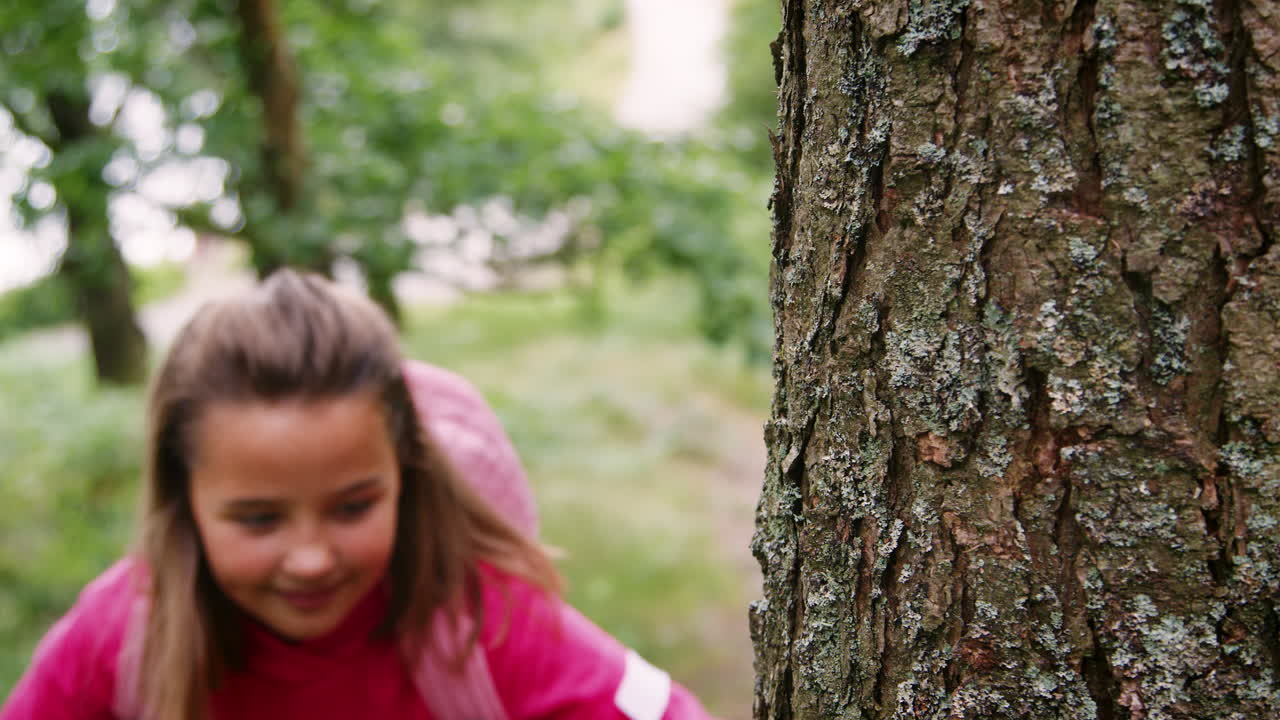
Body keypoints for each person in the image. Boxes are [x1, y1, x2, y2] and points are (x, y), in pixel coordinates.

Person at [1, 270, 714, 720]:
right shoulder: (122, 639)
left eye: (353, 507)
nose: (311, 559)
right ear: (183, 501)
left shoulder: (477, 626)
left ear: (405, 475)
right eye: (258, 519)